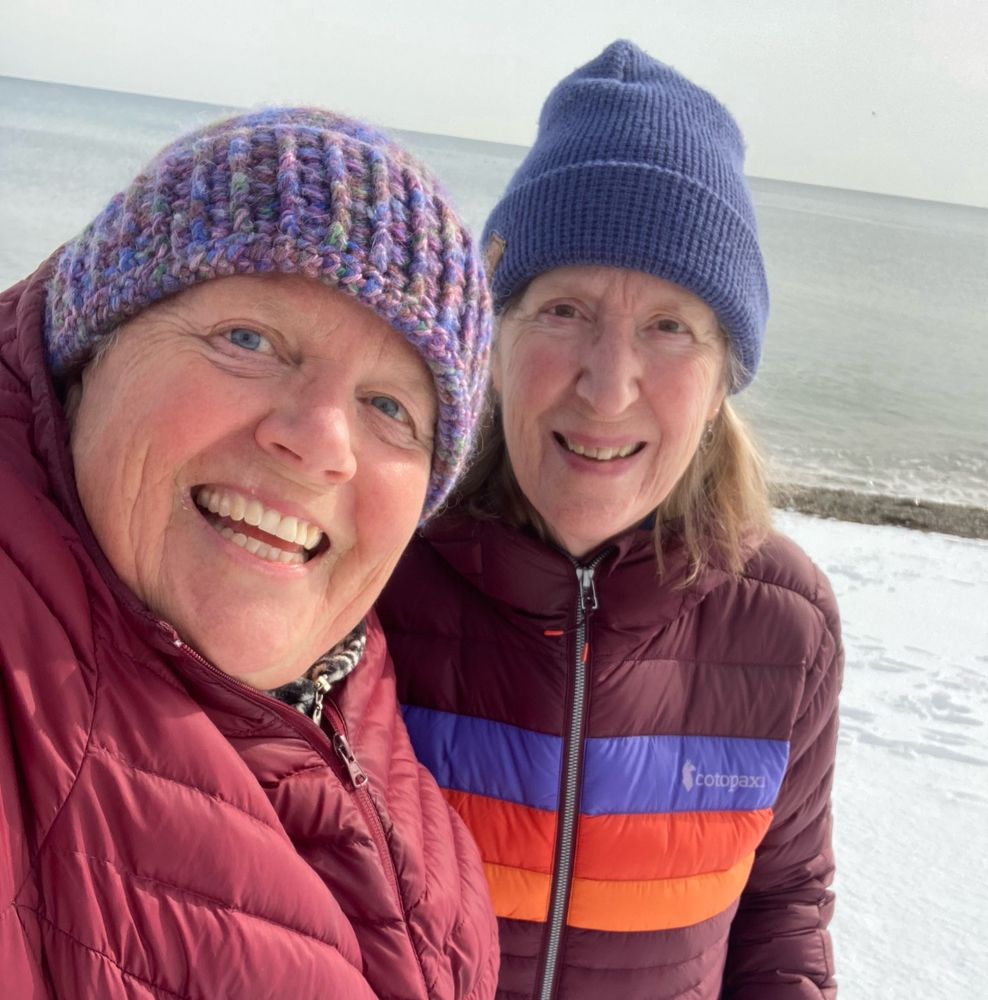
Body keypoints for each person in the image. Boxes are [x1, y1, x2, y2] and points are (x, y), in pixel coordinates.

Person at [378, 41, 842, 1000]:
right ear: (492, 343)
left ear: (721, 381)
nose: (608, 383)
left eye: (671, 326)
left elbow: (785, 903)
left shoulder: (787, 623)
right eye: (564, 309)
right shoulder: (373, 569)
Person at [0, 107, 499, 998]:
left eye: (391, 407)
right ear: (90, 352)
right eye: (250, 340)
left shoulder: (361, 708)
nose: (320, 443)